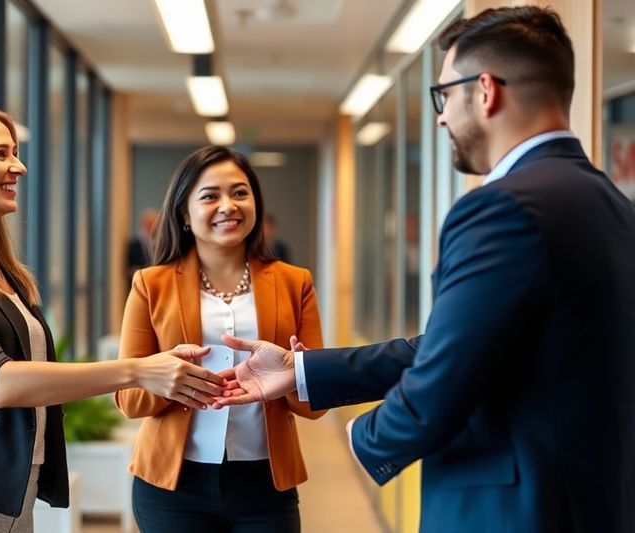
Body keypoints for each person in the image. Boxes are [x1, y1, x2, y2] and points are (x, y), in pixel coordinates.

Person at [214, 7, 635, 533]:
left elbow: (446, 374)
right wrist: (302, 371)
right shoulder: (612, 205)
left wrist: (365, 437)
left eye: (444, 96)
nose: (440, 118)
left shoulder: (503, 208)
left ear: (485, 91)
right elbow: (462, 343)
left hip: (511, 512)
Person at [0, 104, 225, 533]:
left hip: (11, 493)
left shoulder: (2, 270)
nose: (18, 166)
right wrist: (137, 371)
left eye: (15, 153)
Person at [114, 145, 325, 532]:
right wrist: (172, 381)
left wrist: (296, 374)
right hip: (173, 486)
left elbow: (316, 404)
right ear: (184, 213)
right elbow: (128, 399)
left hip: (265, 485)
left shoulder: (295, 283)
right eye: (210, 196)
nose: (228, 206)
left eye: (240, 193)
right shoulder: (150, 284)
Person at [127, 207, 159, 281]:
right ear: (143, 223)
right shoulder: (133, 245)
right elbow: (130, 269)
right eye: (149, 223)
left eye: (154, 223)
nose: (152, 226)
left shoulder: (160, 243)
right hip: (138, 281)